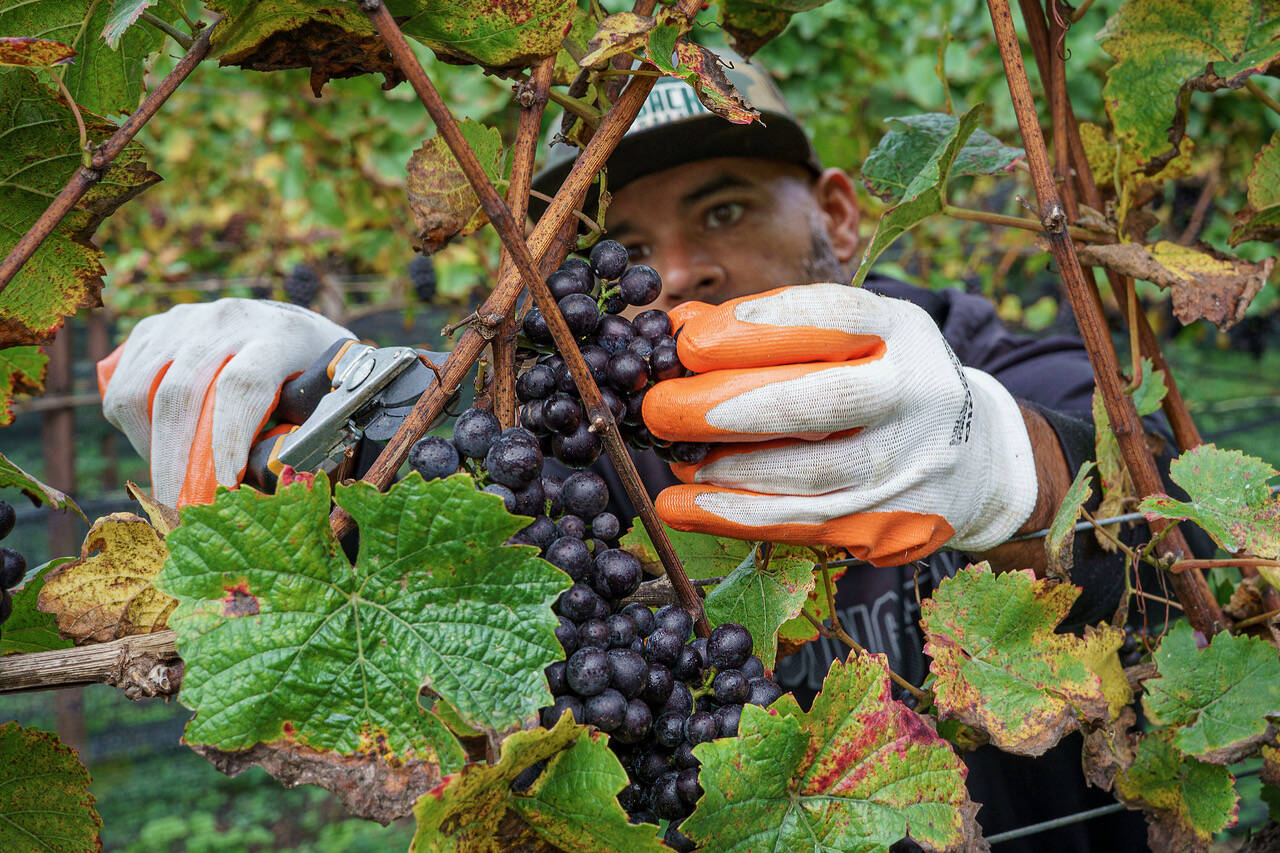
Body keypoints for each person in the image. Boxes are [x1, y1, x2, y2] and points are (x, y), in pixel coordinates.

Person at [100, 55, 1170, 850]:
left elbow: (1169, 518)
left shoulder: (982, 359)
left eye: (722, 207)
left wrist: (1009, 473)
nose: (674, 273)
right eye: (610, 251)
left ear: (836, 214)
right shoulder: (566, 455)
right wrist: (358, 430)